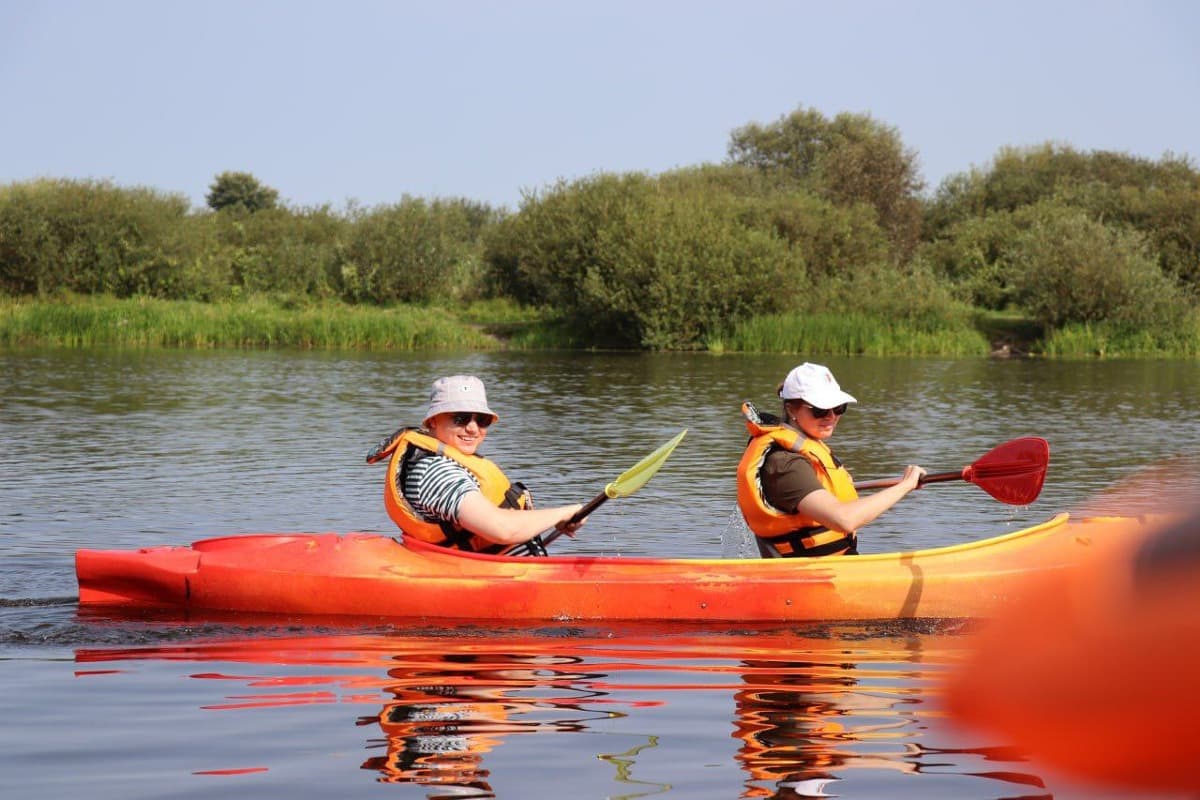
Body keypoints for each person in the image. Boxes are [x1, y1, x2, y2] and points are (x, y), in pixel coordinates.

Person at [367, 375, 584, 555]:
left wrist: (548, 521)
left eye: (481, 420)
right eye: (461, 419)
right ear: (433, 421)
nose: (473, 428)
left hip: (492, 571)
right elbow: (503, 529)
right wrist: (565, 512)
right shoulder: (436, 472)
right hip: (477, 579)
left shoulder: (448, 461)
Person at [736, 362, 926, 558]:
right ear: (791, 409)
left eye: (839, 408)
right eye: (820, 410)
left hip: (835, 566)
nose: (831, 416)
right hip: (813, 572)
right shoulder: (786, 464)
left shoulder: (805, 451)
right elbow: (844, 520)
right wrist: (905, 486)